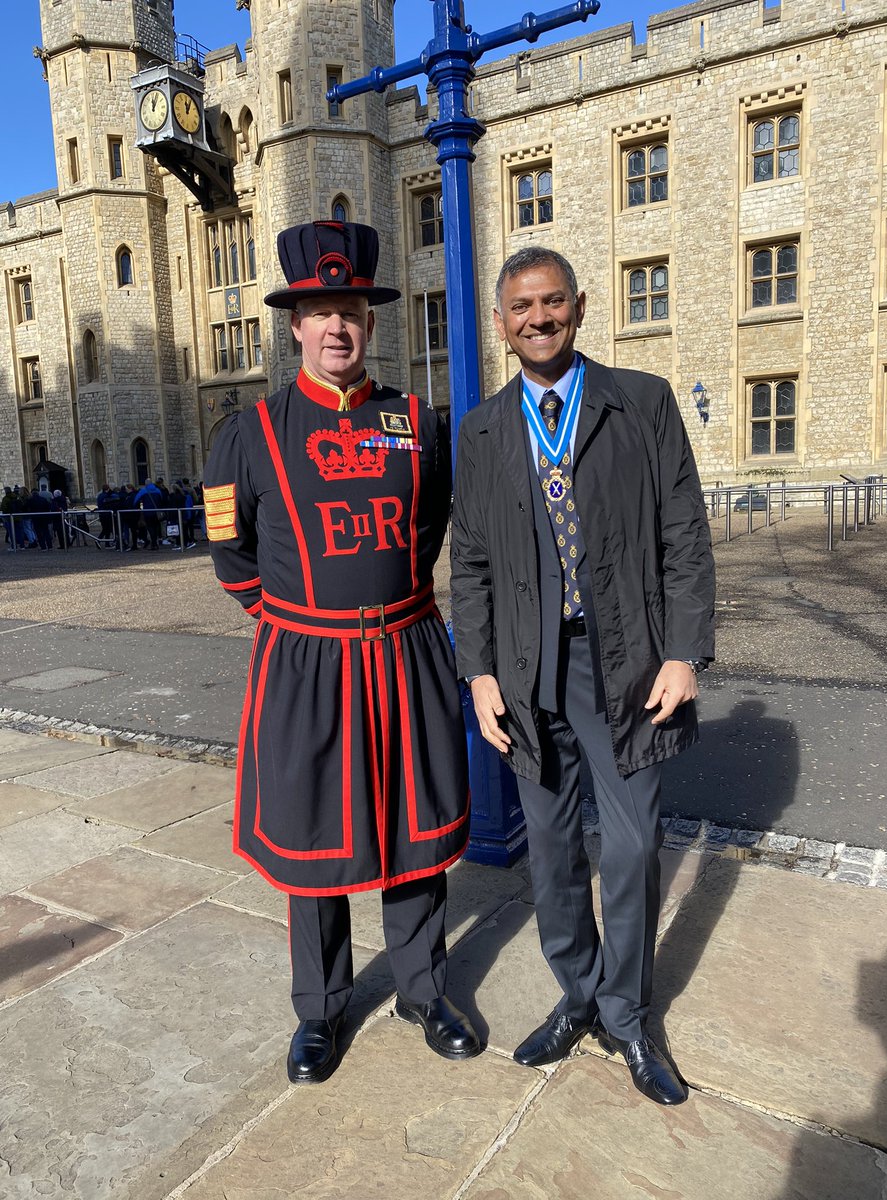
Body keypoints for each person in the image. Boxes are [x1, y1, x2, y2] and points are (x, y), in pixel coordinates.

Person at [204, 220, 479, 1085]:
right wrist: (296, 627)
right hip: (307, 664)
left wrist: (388, 611)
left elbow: (431, 527)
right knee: (314, 841)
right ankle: (320, 1011)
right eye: (320, 311)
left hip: (405, 653)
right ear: (293, 323)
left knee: (414, 829)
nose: (337, 327)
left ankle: (424, 990)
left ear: (370, 318)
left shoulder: (416, 423)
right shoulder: (248, 433)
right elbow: (231, 554)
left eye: (351, 309)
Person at [451, 246, 715, 1107]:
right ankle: (577, 994)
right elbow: (473, 564)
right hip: (529, 673)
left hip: (627, 663)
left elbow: (684, 530)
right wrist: (480, 673)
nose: (538, 318)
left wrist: (683, 650)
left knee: (634, 845)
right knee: (554, 848)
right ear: (502, 323)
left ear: (580, 306)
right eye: (521, 307)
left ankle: (628, 1015)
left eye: (553, 302)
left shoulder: (640, 402)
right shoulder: (484, 428)